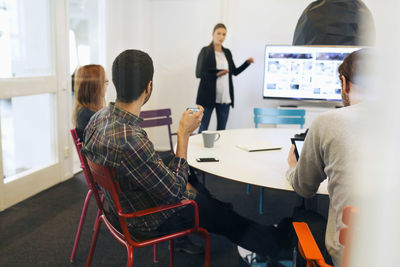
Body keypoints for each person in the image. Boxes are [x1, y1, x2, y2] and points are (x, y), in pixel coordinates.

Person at [82, 49, 285, 260]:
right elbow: (175, 192)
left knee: (183, 172)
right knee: (225, 219)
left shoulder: (99, 118)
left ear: (115, 83)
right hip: (144, 220)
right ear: (148, 86)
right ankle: (278, 245)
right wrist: (183, 134)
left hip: (117, 207)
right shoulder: (131, 138)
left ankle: (216, 207)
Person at [286, 48, 372, 266]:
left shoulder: (328, 122)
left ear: (344, 83)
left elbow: (304, 187)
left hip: (350, 257)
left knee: (301, 215)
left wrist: (292, 166)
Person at [195, 23, 254, 132]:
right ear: (213, 34)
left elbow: (234, 72)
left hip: (224, 98)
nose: (221, 37)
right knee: (203, 129)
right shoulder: (205, 51)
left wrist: (247, 63)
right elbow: (199, 73)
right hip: (207, 98)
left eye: (224, 34)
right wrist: (217, 74)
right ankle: (199, 150)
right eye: (219, 33)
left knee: (222, 131)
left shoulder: (227, 52)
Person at [73, 64, 108, 141]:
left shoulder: (87, 110)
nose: (106, 85)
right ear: (94, 86)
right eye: (105, 81)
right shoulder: (87, 113)